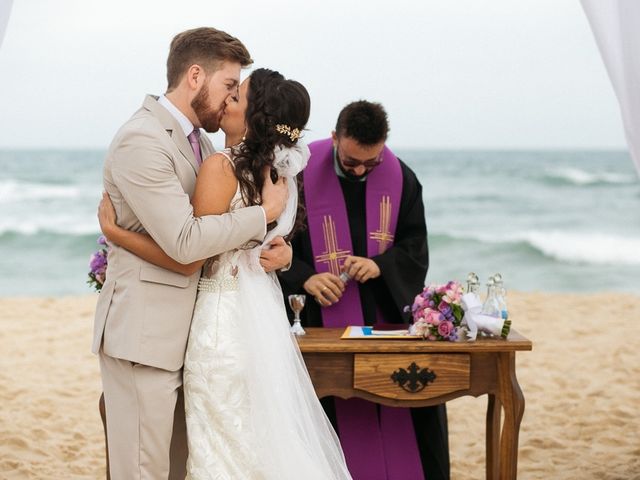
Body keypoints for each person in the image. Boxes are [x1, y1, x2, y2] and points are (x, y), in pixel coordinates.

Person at [99, 68, 353, 479]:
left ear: (253, 118)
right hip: (260, 321)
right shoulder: (279, 175)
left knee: (221, 447)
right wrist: (283, 255)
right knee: (251, 440)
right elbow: (265, 242)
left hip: (220, 325)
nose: (228, 101)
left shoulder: (220, 166)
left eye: (238, 97)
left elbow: (190, 251)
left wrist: (116, 234)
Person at [93, 28, 292, 479]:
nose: (229, 102)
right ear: (196, 75)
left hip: (194, 337)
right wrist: (265, 214)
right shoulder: (141, 139)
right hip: (147, 335)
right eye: (228, 86)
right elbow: (186, 245)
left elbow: (216, 231)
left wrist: (275, 247)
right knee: (143, 471)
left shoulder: (201, 142)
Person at [278, 100, 451, 480]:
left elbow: (415, 246)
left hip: (381, 318)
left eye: (370, 163)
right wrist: (305, 276)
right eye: (351, 161)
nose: (360, 171)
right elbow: (271, 241)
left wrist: (380, 265)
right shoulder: (299, 176)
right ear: (334, 137)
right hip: (318, 318)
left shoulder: (401, 178)